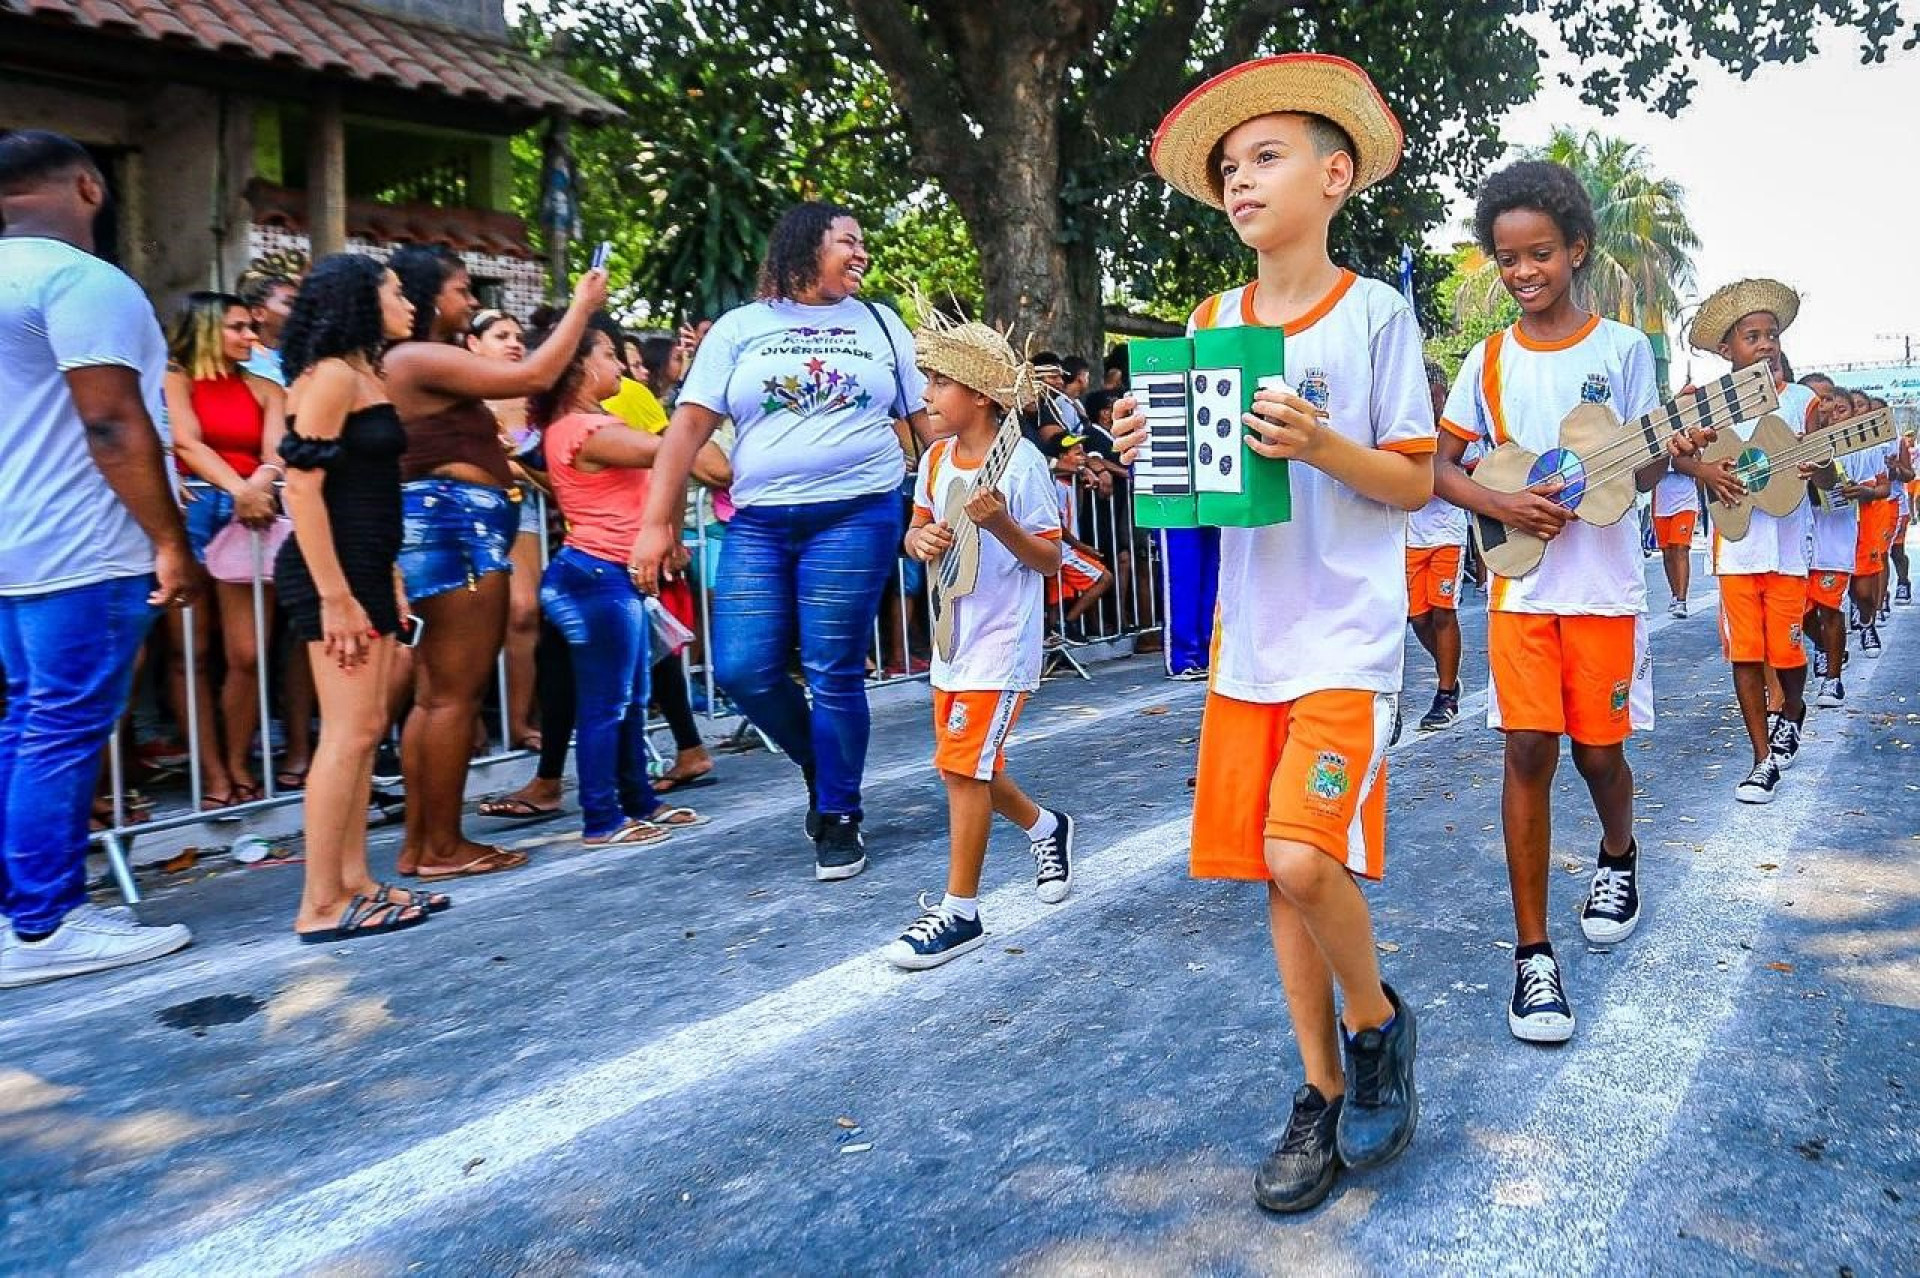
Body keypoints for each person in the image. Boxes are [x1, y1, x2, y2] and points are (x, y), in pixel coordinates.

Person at [1111, 54, 1428, 1213]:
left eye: (1268, 157)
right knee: (1273, 878)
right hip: (1250, 648)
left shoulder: (1376, 314)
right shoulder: (1207, 321)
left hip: (1348, 640)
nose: (1242, 183)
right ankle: (1320, 1089)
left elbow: (1413, 479)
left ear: (1336, 175)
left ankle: (1380, 1026)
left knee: (1306, 854)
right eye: (1229, 169)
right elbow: (1199, 493)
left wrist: (1320, 444)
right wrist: (1153, 448)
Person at [1433, 160, 1702, 1045]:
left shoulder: (1622, 352)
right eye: (1507, 260)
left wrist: (1676, 444)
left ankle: (1619, 853)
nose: (1522, 274)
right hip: (1520, 591)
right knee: (1526, 750)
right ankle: (1533, 955)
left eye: (1539, 254)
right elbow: (1436, 463)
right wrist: (1501, 502)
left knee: (1597, 757)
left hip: (1604, 591)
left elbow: (1647, 465)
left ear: (1576, 249)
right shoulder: (1488, 358)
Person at [631, 201, 934, 882]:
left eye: (863, 244)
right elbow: (685, 431)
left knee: (832, 670)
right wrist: (657, 521)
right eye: (847, 243)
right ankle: (821, 763)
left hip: (857, 513)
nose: (861, 255)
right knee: (743, 669)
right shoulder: (741, 329)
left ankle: (838, 813)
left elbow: (926, 421)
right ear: (803, 246)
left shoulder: (881, 326)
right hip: (761, 520)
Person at [0, 129, 202, 986]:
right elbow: (113, 424)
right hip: (83, 542)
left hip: (14, 541)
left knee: (25, 721)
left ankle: (23, 913)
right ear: (88, 186)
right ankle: (45, 922)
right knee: (62, 724)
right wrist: (168, 539)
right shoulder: (82, 280)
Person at [383, 245, 607, 881]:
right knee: (451, 696)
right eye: (461, 290)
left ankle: (425, 844)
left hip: (453, 528)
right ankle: (442, 846)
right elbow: (533, 377)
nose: (472, 301)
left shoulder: (415, 360)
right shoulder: (418, 355)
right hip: (458, 533)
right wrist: (583, 306)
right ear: (430, 297)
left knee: (436, 698)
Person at [885, 318, 1072, 969]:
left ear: (983, 395)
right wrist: (920, 541)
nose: (928, 395)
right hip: (950, 640)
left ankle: (959, 910)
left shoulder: (1021, 464)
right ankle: (1046, 827)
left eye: (941, 382)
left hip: (1000, 642)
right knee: (962, 766)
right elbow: (918, 529)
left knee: (965, 767)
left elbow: (1050, 560)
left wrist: (1005, 527)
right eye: (928, 380)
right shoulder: (934, 460)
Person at [273, 254, 446, 941]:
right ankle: (319, 903)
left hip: (368, 571)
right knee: (345, 738)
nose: (408, 301)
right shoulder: (333, 378)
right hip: (331, 577)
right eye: (396, 292)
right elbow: (303, 488)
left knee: (366, 731)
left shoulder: (362, 374)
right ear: (358, 301)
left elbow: (365, 489)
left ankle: (356, 884)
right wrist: (337, 595)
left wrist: (389, 575)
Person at [532, 323, 705, 845]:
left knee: (629, 698)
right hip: (594, 576)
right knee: (607, 703)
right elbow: (667, 447)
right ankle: (601, 817)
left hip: (609, 576)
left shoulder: (595, 422)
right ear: (580, 366)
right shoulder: (580, 429)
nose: (622, 366)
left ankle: (638, 802)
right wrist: (700, 393)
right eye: (609, 355)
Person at [1671, 280, 1820, 803]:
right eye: (1752, 336)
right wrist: (1704, 471)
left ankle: (1793, 711)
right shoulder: (1708, 405)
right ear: (1725, 349)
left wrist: (1816, 464)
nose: (1764, 344)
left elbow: (1822, 470)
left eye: (1771, 334)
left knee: (1789, 653)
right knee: (1744, 655)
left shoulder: (1800, 400)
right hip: (1735, 548)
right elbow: (1678, 456)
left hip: (1786, 548)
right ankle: (1761, 758)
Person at [162, 290, 288, 810]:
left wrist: (255, 488)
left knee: (247, 652)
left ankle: (238, 761)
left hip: (252, 512)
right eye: (238, 327)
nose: (251, 337)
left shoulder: (265, 387)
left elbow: (277, 452)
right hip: (199, 507)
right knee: (190, 650)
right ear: (208, 328)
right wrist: (241, 490)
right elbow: (186, 443)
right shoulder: (174, 378)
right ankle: (211, 772)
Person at [464, 307, 543, 752]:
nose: (514, 343)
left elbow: (550, 469)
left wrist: (513, 463)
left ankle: (519, 721)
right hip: (462, 511)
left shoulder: (533, 399)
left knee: (523, 610)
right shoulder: (459, 395)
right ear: (473, 345)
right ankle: (466, 715)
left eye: (518, 336)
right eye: (501, 335)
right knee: (465, 616)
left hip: (521, 508)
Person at [1800, 378, 1874, 707]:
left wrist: (1861, 490)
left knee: (1830, 608)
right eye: (1818, 401)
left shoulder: (1859, 445)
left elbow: (1872, 484)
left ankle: (1832, 680)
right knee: (1801, 615)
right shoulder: (1792, 441)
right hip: (1797, 539)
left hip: (1835, 537)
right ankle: (1828, 649)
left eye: (1832, 401)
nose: (1827, 409)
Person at [1406, 361, 1466, 731]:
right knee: (1419, 617)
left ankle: (1445, 693)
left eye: (1435, 397)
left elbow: (1466, 470)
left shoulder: (1456, 432)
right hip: (1412, 533)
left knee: (1443, 612)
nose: (1429, 404)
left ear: (1444, 394)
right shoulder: (1405, 425)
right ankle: (1449, 670)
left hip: (1446, 532)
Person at [1040, 432, 1113, 639]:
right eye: (1076, 453)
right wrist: (1083, 547)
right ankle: (1067, 624)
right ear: (1062, 458)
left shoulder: (1072, 484)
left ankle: (1057, 632)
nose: (1082, 457)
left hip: (1062, 550)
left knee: (1059, 598)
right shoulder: (1055, 485)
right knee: (1105, 578)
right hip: (1063, 550)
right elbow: (1056, 524)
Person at [1650, 392, 1701, 618]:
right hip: (1661, 497)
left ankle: (1682, 599)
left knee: (1681, 548)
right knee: (1668, 552)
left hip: (1685, 497)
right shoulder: (1658, 430)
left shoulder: (1692, 431)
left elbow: (1699, 461)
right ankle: (1673, 595)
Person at [240, 272, 298, 386]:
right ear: (258, 313)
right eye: (290, 304)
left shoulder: (308, 354)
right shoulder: (243, 359)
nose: (301, 310)